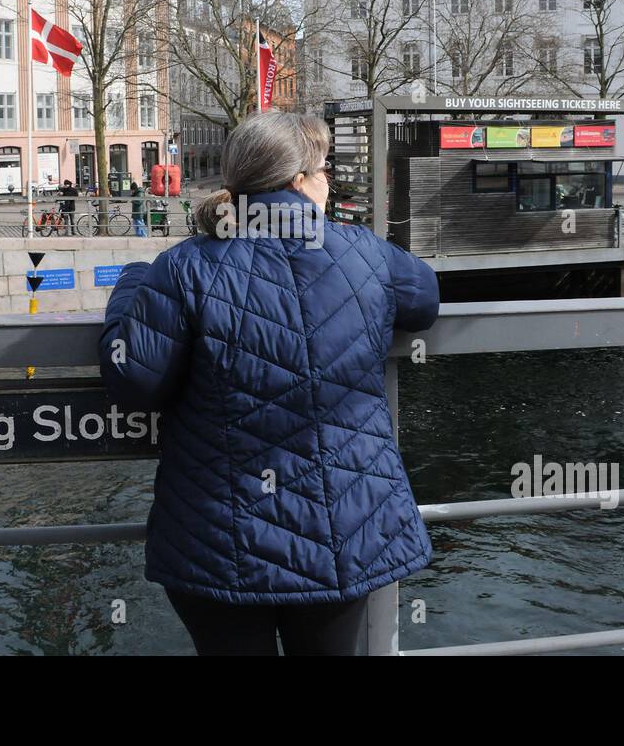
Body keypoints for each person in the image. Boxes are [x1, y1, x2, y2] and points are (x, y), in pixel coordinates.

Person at [99, 111, 439, 656]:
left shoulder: (183, 266)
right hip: (341, 531)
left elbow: (136, 380)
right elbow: (423, 299)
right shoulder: (364, 251)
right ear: (298, 181)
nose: (329, 180)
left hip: (217, 535)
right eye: (324, 169)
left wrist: (132, 285)